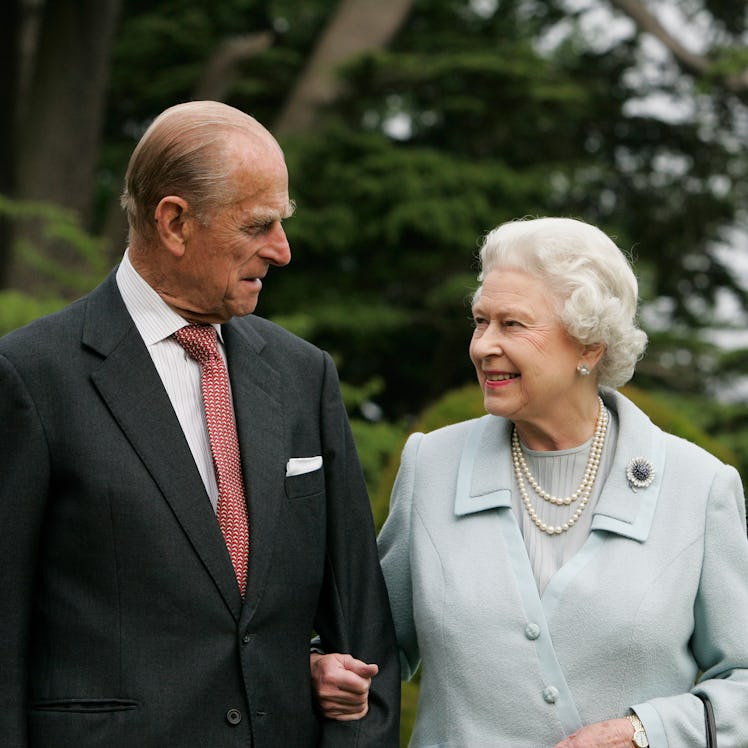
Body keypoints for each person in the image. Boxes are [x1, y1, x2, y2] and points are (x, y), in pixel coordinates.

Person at [0, 100, 400, 747]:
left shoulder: (305, 377)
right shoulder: (29, 377)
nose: (283, 250)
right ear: (175, 222)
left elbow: (363, 628)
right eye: (259, 226)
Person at [311, 216, 748, 746]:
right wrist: (323, 665)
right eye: (480, 321)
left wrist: (642, 732)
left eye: (512, 325)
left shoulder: (698, 488)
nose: (482, 346)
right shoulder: (432, 464)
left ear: (590, 345)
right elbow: (369, 643)